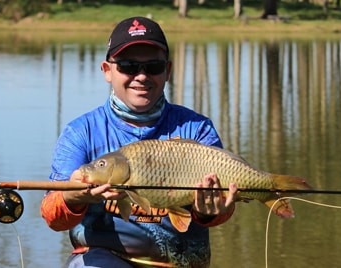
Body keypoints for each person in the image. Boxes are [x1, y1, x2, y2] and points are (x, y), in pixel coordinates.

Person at [40, 16, 238, 268]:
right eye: (128, 66)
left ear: (168, 70)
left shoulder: (197, 128)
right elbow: (52, 216)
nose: (141, 76)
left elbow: (223, 209)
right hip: (103, 260)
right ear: (107, 71)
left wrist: (210, 211)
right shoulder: (81, 132)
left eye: (153, 67)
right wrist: (73, 198)